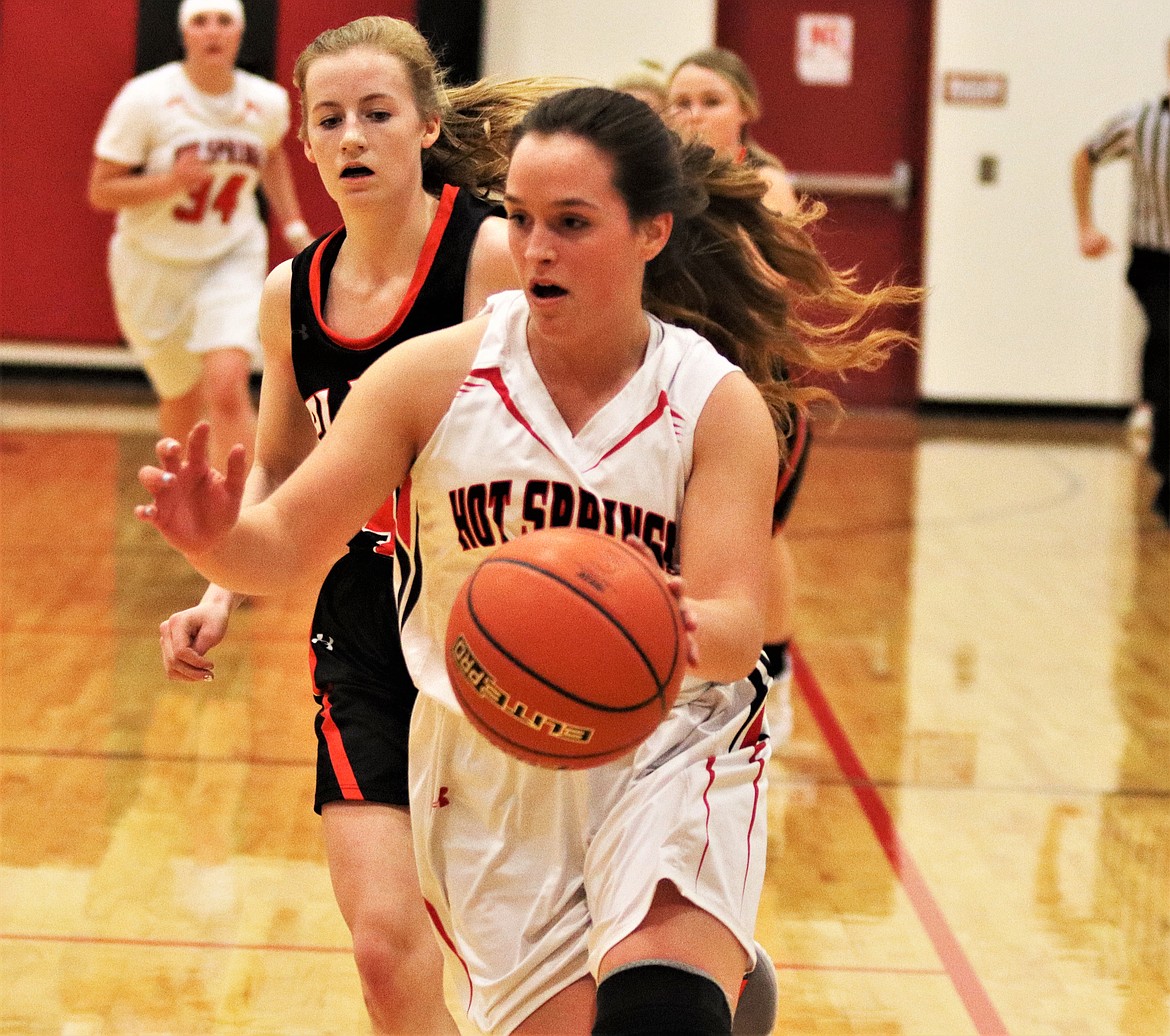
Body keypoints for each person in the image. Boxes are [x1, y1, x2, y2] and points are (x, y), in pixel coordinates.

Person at [138, 87, 912, 1035]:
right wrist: (211, 537)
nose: (537, 247)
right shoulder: (430, 379)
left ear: (651, 233)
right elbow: (281, 549)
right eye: (520, 218)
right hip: (491, 755)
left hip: (672, 738)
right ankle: (728, 987)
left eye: (573, 223)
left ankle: (689, 979)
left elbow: (738, 625)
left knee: (654, 1011)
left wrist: (681, 629)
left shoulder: (713, 402)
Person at [154, 15, 573, 1034]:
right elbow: (284, 467)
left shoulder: (490, 258)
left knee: (531, 949)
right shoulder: (287, 294)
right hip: (369, 616)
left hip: (510, 614)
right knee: (385, 946)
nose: (353, 137)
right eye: (330, 118)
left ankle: (679, 979)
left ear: (426, 124)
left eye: (377, 114)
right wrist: (220, 589)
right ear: (301, 140)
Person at [88, 0, 314, 470]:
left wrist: (294, 227)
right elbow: (101, 191)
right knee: (181, 397)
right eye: (200, 21)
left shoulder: (267, 101)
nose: (213, 32)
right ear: (184, 33)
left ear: (240, 33)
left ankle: (250, 515)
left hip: (231, 254)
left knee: (227, 385)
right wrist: (169, 183)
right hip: (151, 262)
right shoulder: (144, 98)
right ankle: (186, 493)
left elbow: (271, 156)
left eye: (224, 21)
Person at [1072, 40, 1170, 525]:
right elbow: (1084, 157)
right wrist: (1086, 226)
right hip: (1156, 259)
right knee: (1168, 332)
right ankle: (1155, 416)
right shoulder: (1140, 122)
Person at [666, 47, 799, 217]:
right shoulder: (661, 182)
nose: (695, 115)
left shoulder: (766, 184)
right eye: (683, 103)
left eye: (712, 102)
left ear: (745, 109)